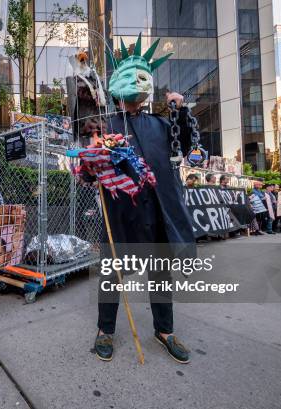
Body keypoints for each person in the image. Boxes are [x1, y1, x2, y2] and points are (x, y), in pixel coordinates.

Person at [89, 36, 194, 364]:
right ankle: (105, 330)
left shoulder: (162, 123)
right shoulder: (106, 125)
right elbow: (91, 162)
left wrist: (181, 108)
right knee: (112, 274)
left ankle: (164, 331)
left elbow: (184, 146)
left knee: (161, 273)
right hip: (122, 212)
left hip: (157, 210)